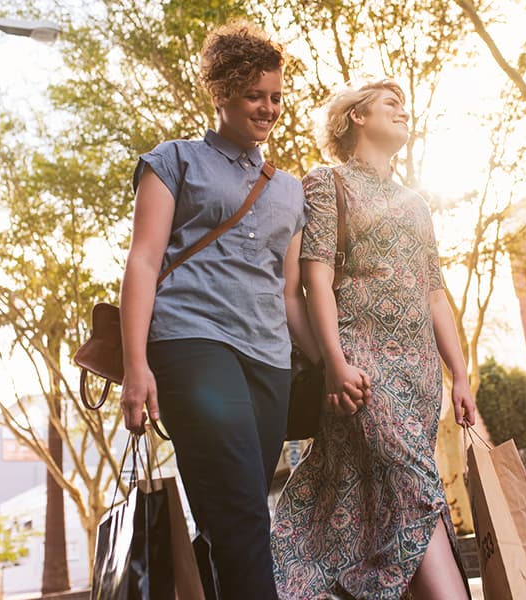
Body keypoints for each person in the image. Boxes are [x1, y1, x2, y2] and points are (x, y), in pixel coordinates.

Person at [117, 21, 366, 599]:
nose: (269, 108)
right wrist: (136, 367)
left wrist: (330, 361)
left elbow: (289, 294)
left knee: (236, 508)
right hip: (191, 341)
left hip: (269, 360)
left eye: (277, 96)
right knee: (243, 511)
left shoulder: (288, 191)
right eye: (256, 95)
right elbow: (143, 262)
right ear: (222, 92)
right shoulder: (172, 161)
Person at [271, 80, 477, 599]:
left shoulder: (417, 203)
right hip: (363, 368)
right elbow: (312, 279)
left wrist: (460, 376)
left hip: (421, 376)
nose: (403, 112)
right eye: (390, 104)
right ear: (356, 117)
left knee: (390, 498)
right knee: (415, 489)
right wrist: (333, 365)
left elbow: (435, 293)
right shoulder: (326, 183)